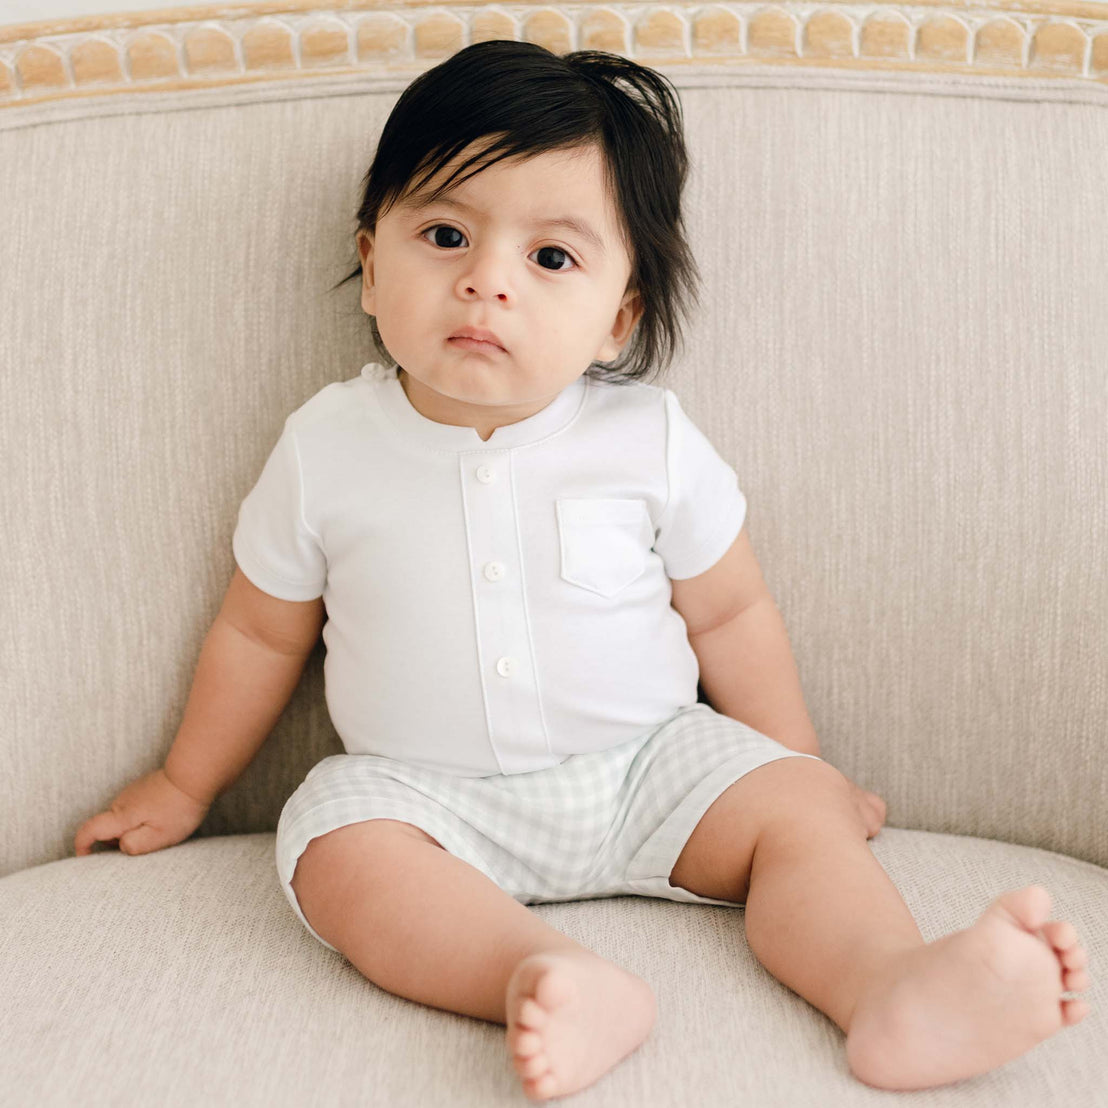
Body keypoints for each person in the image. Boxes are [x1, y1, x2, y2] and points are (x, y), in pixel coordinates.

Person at [74, 39, 1089, 1102]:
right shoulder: (326, 446)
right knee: (333, 846)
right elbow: (257, 630)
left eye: (549, 258)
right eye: (445, 233)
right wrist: (186, 782)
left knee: (797, 815)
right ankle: (542, 976)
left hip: (653, 768)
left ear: (619, 316)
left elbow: (732, 611)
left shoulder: (646, 439)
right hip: (429, 798)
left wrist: (797, 763)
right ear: (371, 264)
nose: (485, 281)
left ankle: (891, 985)